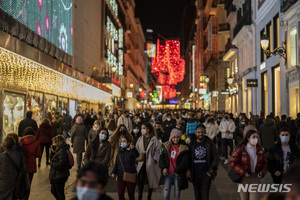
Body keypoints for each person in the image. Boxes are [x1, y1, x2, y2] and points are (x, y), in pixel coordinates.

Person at [230, 130, 268, 200]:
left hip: (255, 178)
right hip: (243, 178)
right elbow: (233, 163)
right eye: (253, 137)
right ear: (248, 138)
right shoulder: (241, 149)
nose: (255, 139)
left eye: (257, 137)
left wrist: (262, 172)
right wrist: (243, 172)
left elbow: (265, 164)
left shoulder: (260, 150)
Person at [186, 124, 219, 200]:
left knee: (205, 195)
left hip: (206, 174)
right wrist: (187, 169)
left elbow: (216, 158)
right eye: (199, 132)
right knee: (197, 196)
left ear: (205, 133)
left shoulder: (210, 144)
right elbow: (187, 158)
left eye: (202, 132)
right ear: (196, 133)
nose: (200, 134)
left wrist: (211, 171)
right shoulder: (192, 144)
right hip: (195, 174)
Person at [159, 129, 189, 200]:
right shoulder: (167, 146)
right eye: (174, 137)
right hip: (168, 173)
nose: (176, 139)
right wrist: (163, 168)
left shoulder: (183, 147)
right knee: (166, 194)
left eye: (177, 137)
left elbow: (185, 161)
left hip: (177, 174)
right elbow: (161, 159)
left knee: (177, 195)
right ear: (171, 138)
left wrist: (177, 170)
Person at [136, 123, 160, 200]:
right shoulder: (140, 138)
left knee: (151, 180)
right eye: (141, 128)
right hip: (141, 162)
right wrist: (137, 158)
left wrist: (154, 159)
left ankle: (149, 197)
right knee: (140, 180)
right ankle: (140, 196)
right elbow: (137, 148)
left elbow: (158, 151)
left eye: (144, 128)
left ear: (148, 129)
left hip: (150, 163)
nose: (142, 130)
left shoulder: (154, 139)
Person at [111, 136, 139, 200]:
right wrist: (113, 172)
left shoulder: (131, 151)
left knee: (131, 194)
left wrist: (133, 149)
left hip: (130, 175)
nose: (122, 143)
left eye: (124, 141)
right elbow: (117, 164)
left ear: (128, 143)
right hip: (120, 176)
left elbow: (137, 155)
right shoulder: (119, 152)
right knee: (120, 194)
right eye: (121, 142)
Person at [20, 127, 41, 199]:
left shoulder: (21, 141)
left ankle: (21, 196)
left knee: (22, 183)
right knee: (29, 184)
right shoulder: (36, 141)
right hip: (31, 165)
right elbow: (38, 154)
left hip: (22, 165)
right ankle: (26, 197)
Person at [49, 135, 70, 200]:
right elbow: (52, 158)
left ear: (58, 143)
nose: (53, 144)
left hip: (60, 175)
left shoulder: (62, 151)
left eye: (54, 142)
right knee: (54, 191)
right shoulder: (58, 150)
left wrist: (51, 164)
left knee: (59, 193)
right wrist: (52, 153)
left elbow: (61, 164)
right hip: (57, 175)